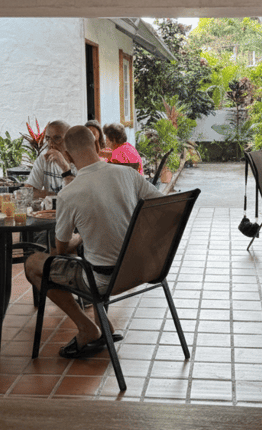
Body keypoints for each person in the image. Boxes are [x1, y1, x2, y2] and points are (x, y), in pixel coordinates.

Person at [24, 126, 163, 358]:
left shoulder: (69, 194)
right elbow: (162, 205)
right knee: (96, 252)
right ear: (99, 147)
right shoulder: (128, 175)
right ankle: (103, 324)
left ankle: (86, 327)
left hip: (102, 280)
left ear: (67, 156)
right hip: (142, 270)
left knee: (35, 263)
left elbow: (62, 249)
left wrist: (80, 237)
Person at [25, 120, 76, 197]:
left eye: (57, 138)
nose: (51, 143)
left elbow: (78, 195)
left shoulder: (79, 161)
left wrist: (65, 168)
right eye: (48, 138)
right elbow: (28, 192)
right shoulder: (43, 160)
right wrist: (54, 195)